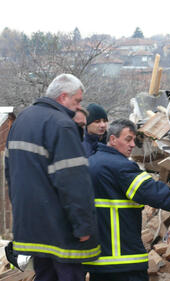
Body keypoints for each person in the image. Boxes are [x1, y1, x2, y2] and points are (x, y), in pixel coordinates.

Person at [85, 119, 170, 281]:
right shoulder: (120, 167)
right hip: (123, 260)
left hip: (99, 260)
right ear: (112, 140)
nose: (133, 144)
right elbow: (153, 192)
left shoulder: (91, 162)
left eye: (134, 140)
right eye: (128, 139)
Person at [5, 74, 101, 281]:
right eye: (77, 101)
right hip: (60, 228)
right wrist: (83, 225)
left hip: (30, 223)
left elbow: (9, 172)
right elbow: (73, 181)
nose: (78, 107)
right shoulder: (62, 124)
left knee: (44, 275)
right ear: (63, 97)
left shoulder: (22, 120)